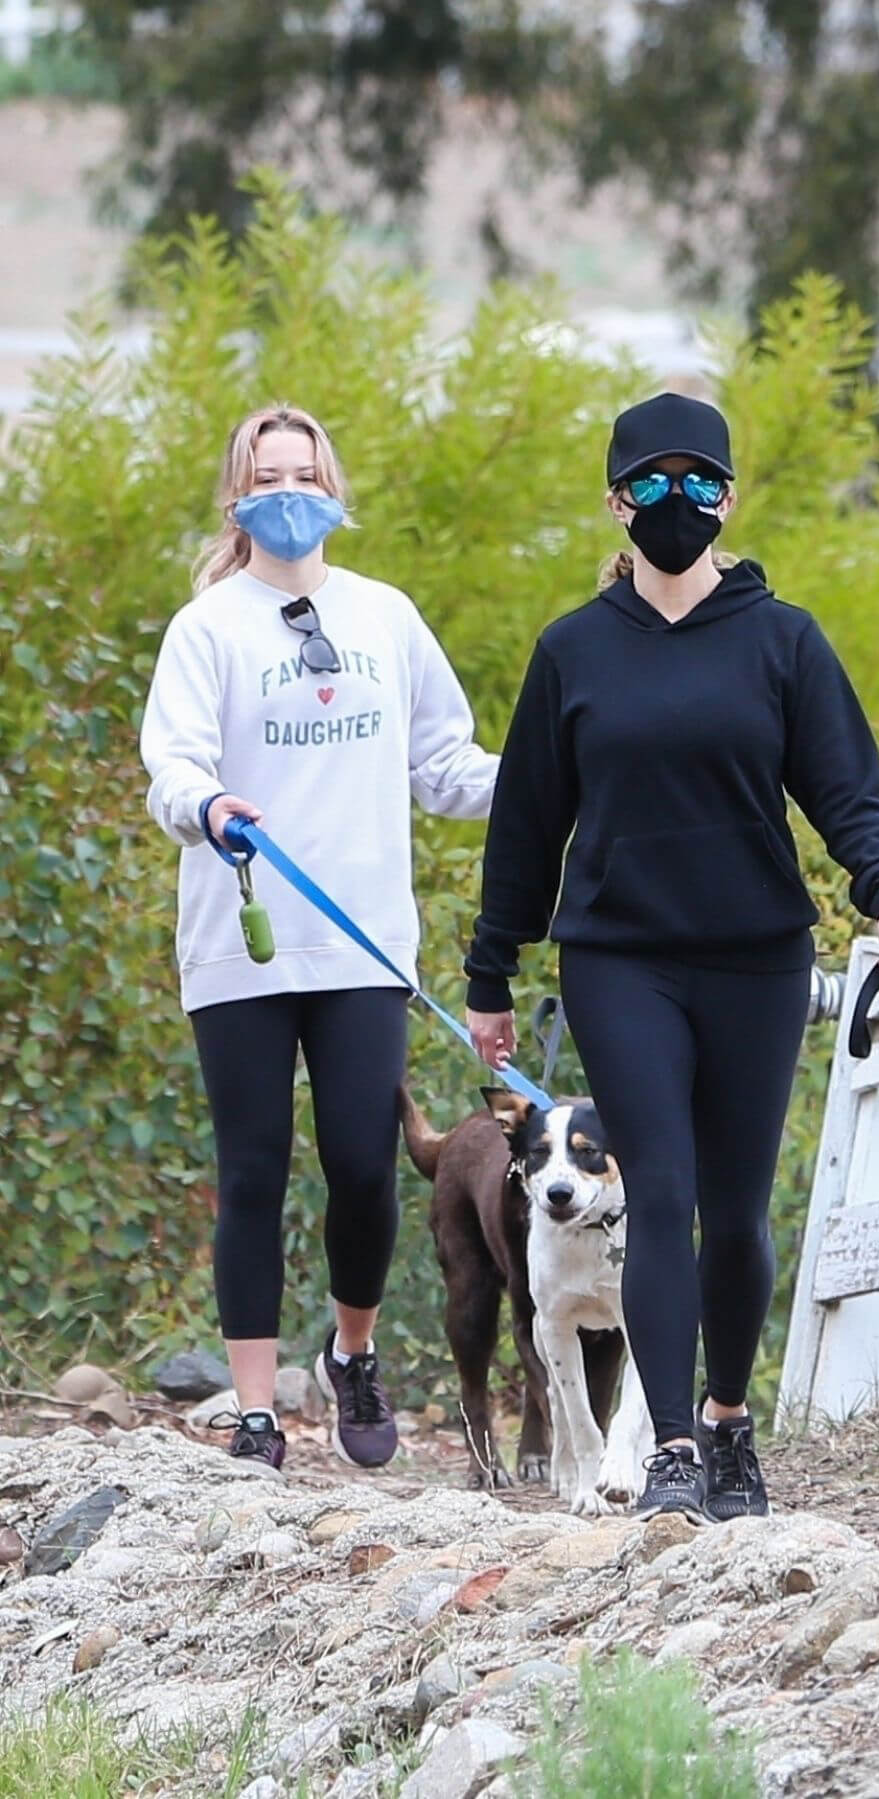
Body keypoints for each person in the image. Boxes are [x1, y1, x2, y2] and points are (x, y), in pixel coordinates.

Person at [464, 391, 879, 1521]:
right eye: (653, 484)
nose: (678, 503)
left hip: (757, 957)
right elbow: (525, 823)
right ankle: (669, 1446)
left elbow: (845, 789)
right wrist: (490, 974)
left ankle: (725, 1420)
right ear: (618, 501)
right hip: (620, 958)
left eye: (699, 482)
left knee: (738, 1206)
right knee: (659, 1192)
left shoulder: (785, 640)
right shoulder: (572, 651)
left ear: (729, 496)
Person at [141, 404, 497, 1472]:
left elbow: (447, 764)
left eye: (304, 471)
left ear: (334, 488)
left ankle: (353, 1350)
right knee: (252, 1168)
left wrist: (553, 778)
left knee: (360, 1162)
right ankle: (255, 1408)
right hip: (242, 943)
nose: (289, 490)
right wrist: (207, 808)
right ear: (237, 494)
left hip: (363, 947)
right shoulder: (207, 628)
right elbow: (175, 764)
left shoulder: (386, 616)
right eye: (268, 473)